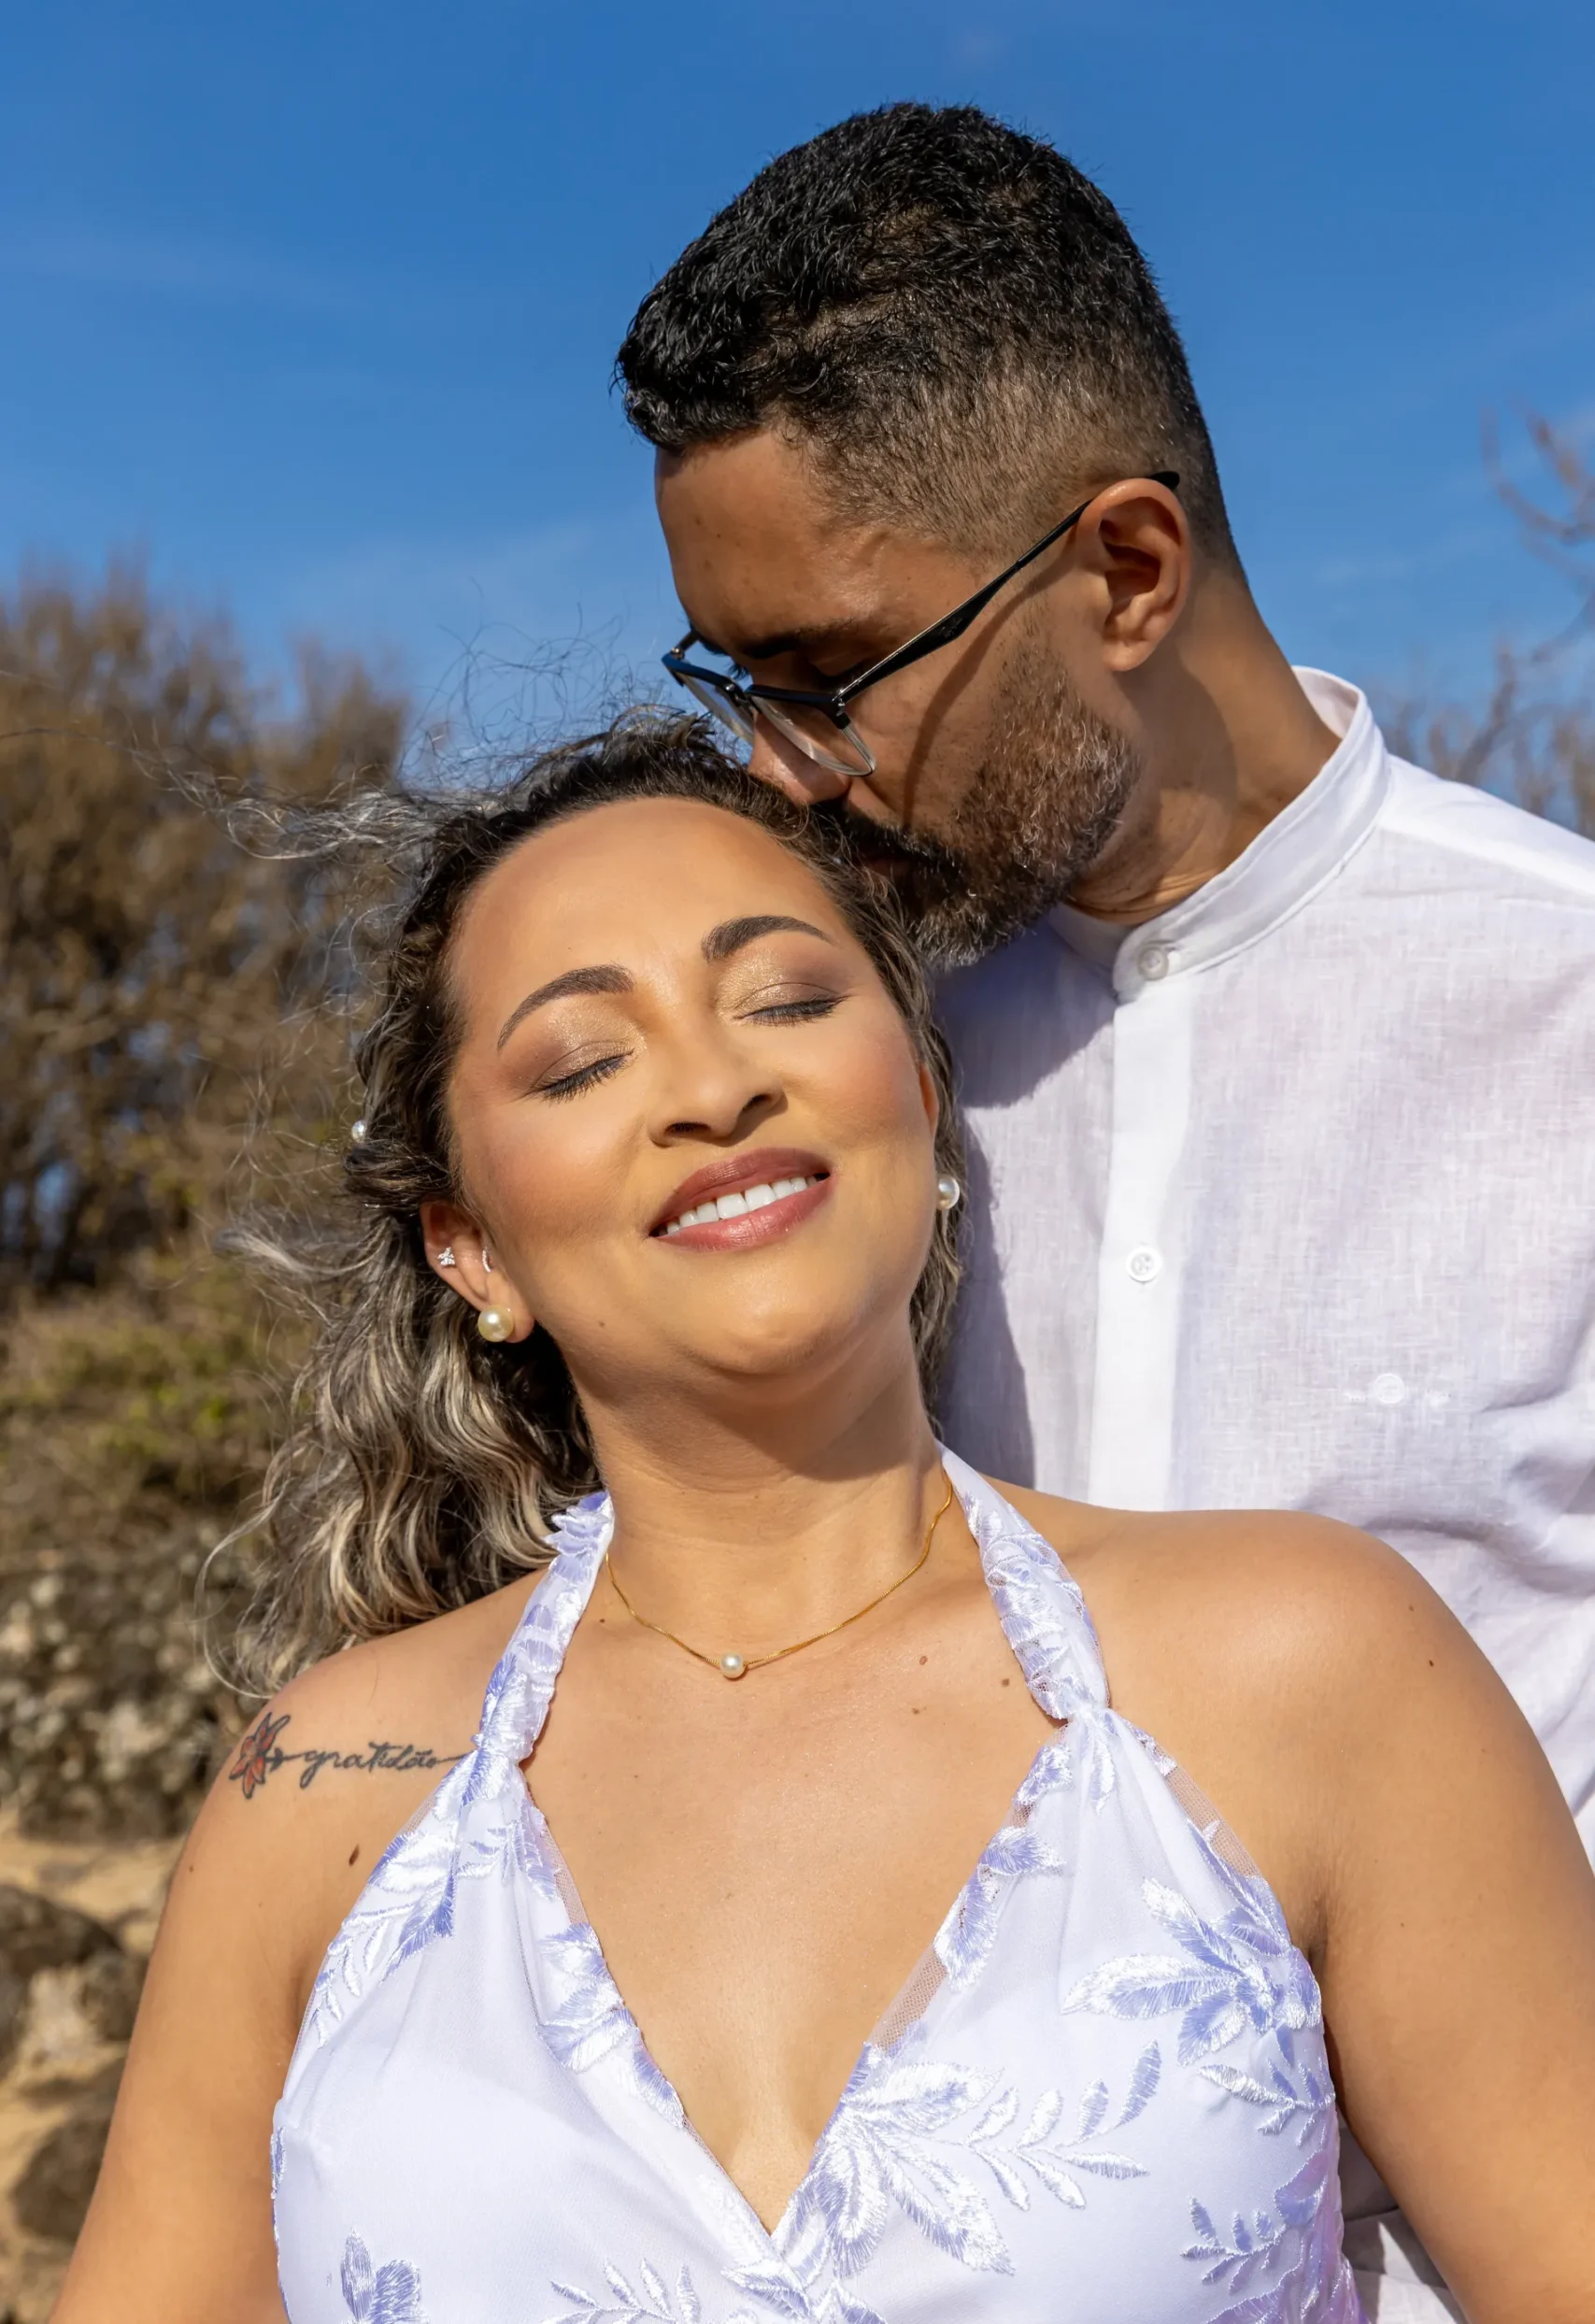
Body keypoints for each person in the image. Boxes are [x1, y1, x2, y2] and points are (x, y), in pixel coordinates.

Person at [55, 724, 1595, 2324]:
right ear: (472, 1251)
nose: (714, 1086)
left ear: (922, 1101)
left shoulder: (1299, 1665)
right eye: (580, 1063)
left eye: (786, 999)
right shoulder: (320, 1789)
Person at [618, 107, 1595, 2312]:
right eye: (731, 682)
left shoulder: (1565, 1008)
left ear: (1128, 569)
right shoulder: (822, 1088)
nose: (777, 765)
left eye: (826, 672)